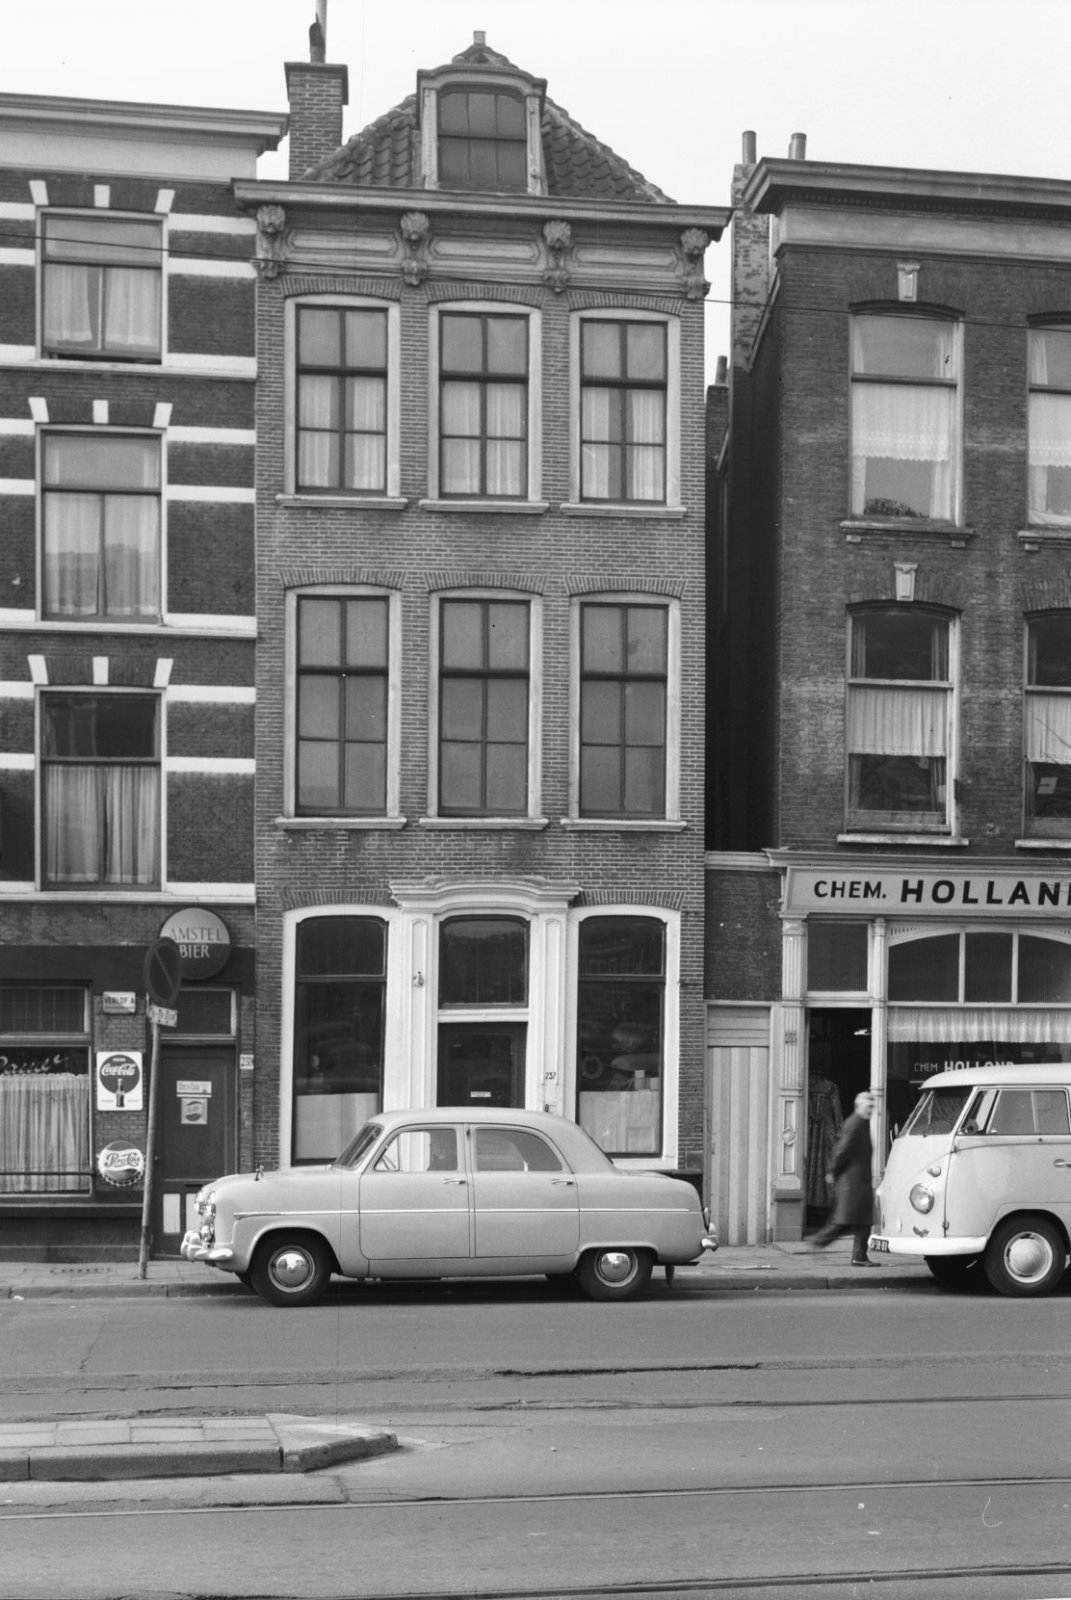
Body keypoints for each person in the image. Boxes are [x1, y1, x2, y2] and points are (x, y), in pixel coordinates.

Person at [810, 1090, 876, 1265]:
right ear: (859, 1106)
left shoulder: (861, 1122)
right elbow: (842, 1149)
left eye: (872, 1106)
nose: (871, 1110)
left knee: (862, 1221)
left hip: (859, 1180)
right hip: (854, 1182)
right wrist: (832, 1171)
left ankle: (859, 1256)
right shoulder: (855, 1124)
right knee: (847, 1221)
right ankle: (820, 1240)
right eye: (868, 1106)